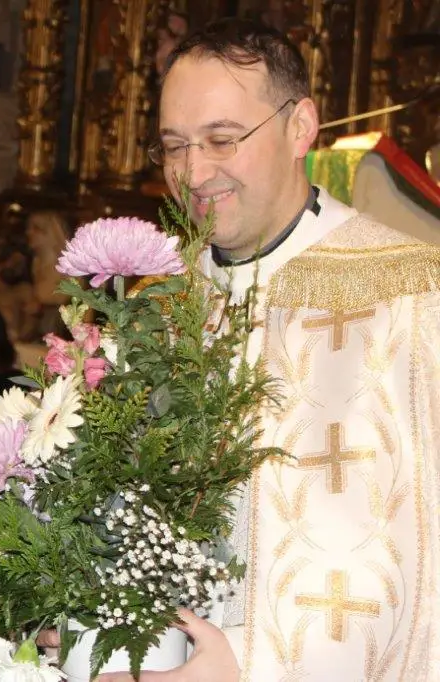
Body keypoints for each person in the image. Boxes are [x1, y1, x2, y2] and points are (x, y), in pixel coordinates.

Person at [98, 17, 440, 681]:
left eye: (222, 139)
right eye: (174, 146)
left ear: (300, 127)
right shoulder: (149, 313)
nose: (193, 172)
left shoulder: (413, 298)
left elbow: (424, 557)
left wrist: (254, 664)